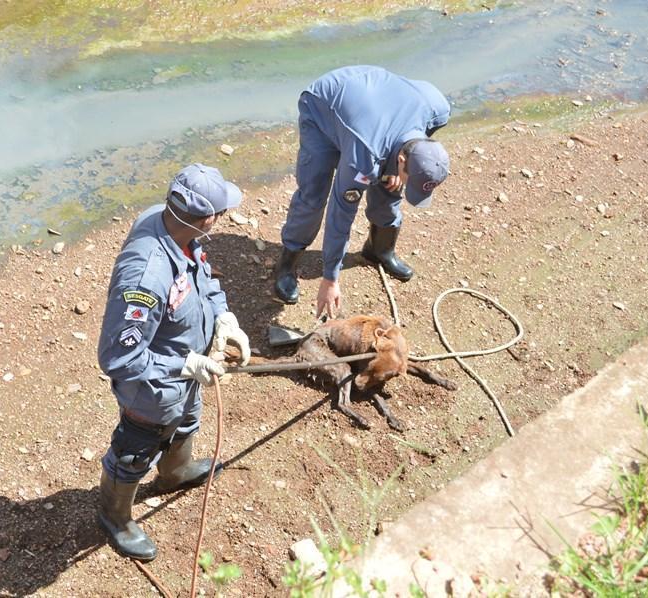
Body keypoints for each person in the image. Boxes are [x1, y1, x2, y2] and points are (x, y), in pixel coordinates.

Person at [96, 163, 251, 561]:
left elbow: (200, 278)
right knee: (135, 450)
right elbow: (119, 357)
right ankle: (114, 516)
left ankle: (175, 474)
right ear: (208, 219)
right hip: (151, 390)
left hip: (187, 374)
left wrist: (223, 316)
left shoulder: (172, 224)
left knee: (187, 420)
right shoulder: (146, 276)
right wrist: (183, 365)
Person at [274, 65, 451, 318]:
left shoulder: (437, 109)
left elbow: (417, 143)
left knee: (390, 187)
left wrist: (394, 173)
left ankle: (379, 250)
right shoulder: (365, 156)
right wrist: (330, 279)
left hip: (370, 110)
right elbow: (341, 213)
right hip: (324, 105)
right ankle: (286, 264)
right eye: (407, 172)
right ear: (402, 157)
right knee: (314, 195)